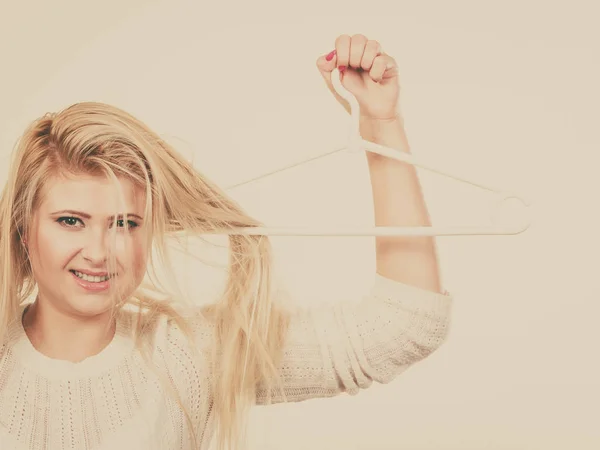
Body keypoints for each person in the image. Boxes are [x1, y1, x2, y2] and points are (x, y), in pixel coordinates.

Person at [0, 34, 453, 450]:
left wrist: (381, 125)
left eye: (125, 223)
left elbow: (401, 327)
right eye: (71, 221)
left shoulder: (190, 351)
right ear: (24, 229)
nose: (99, 252)